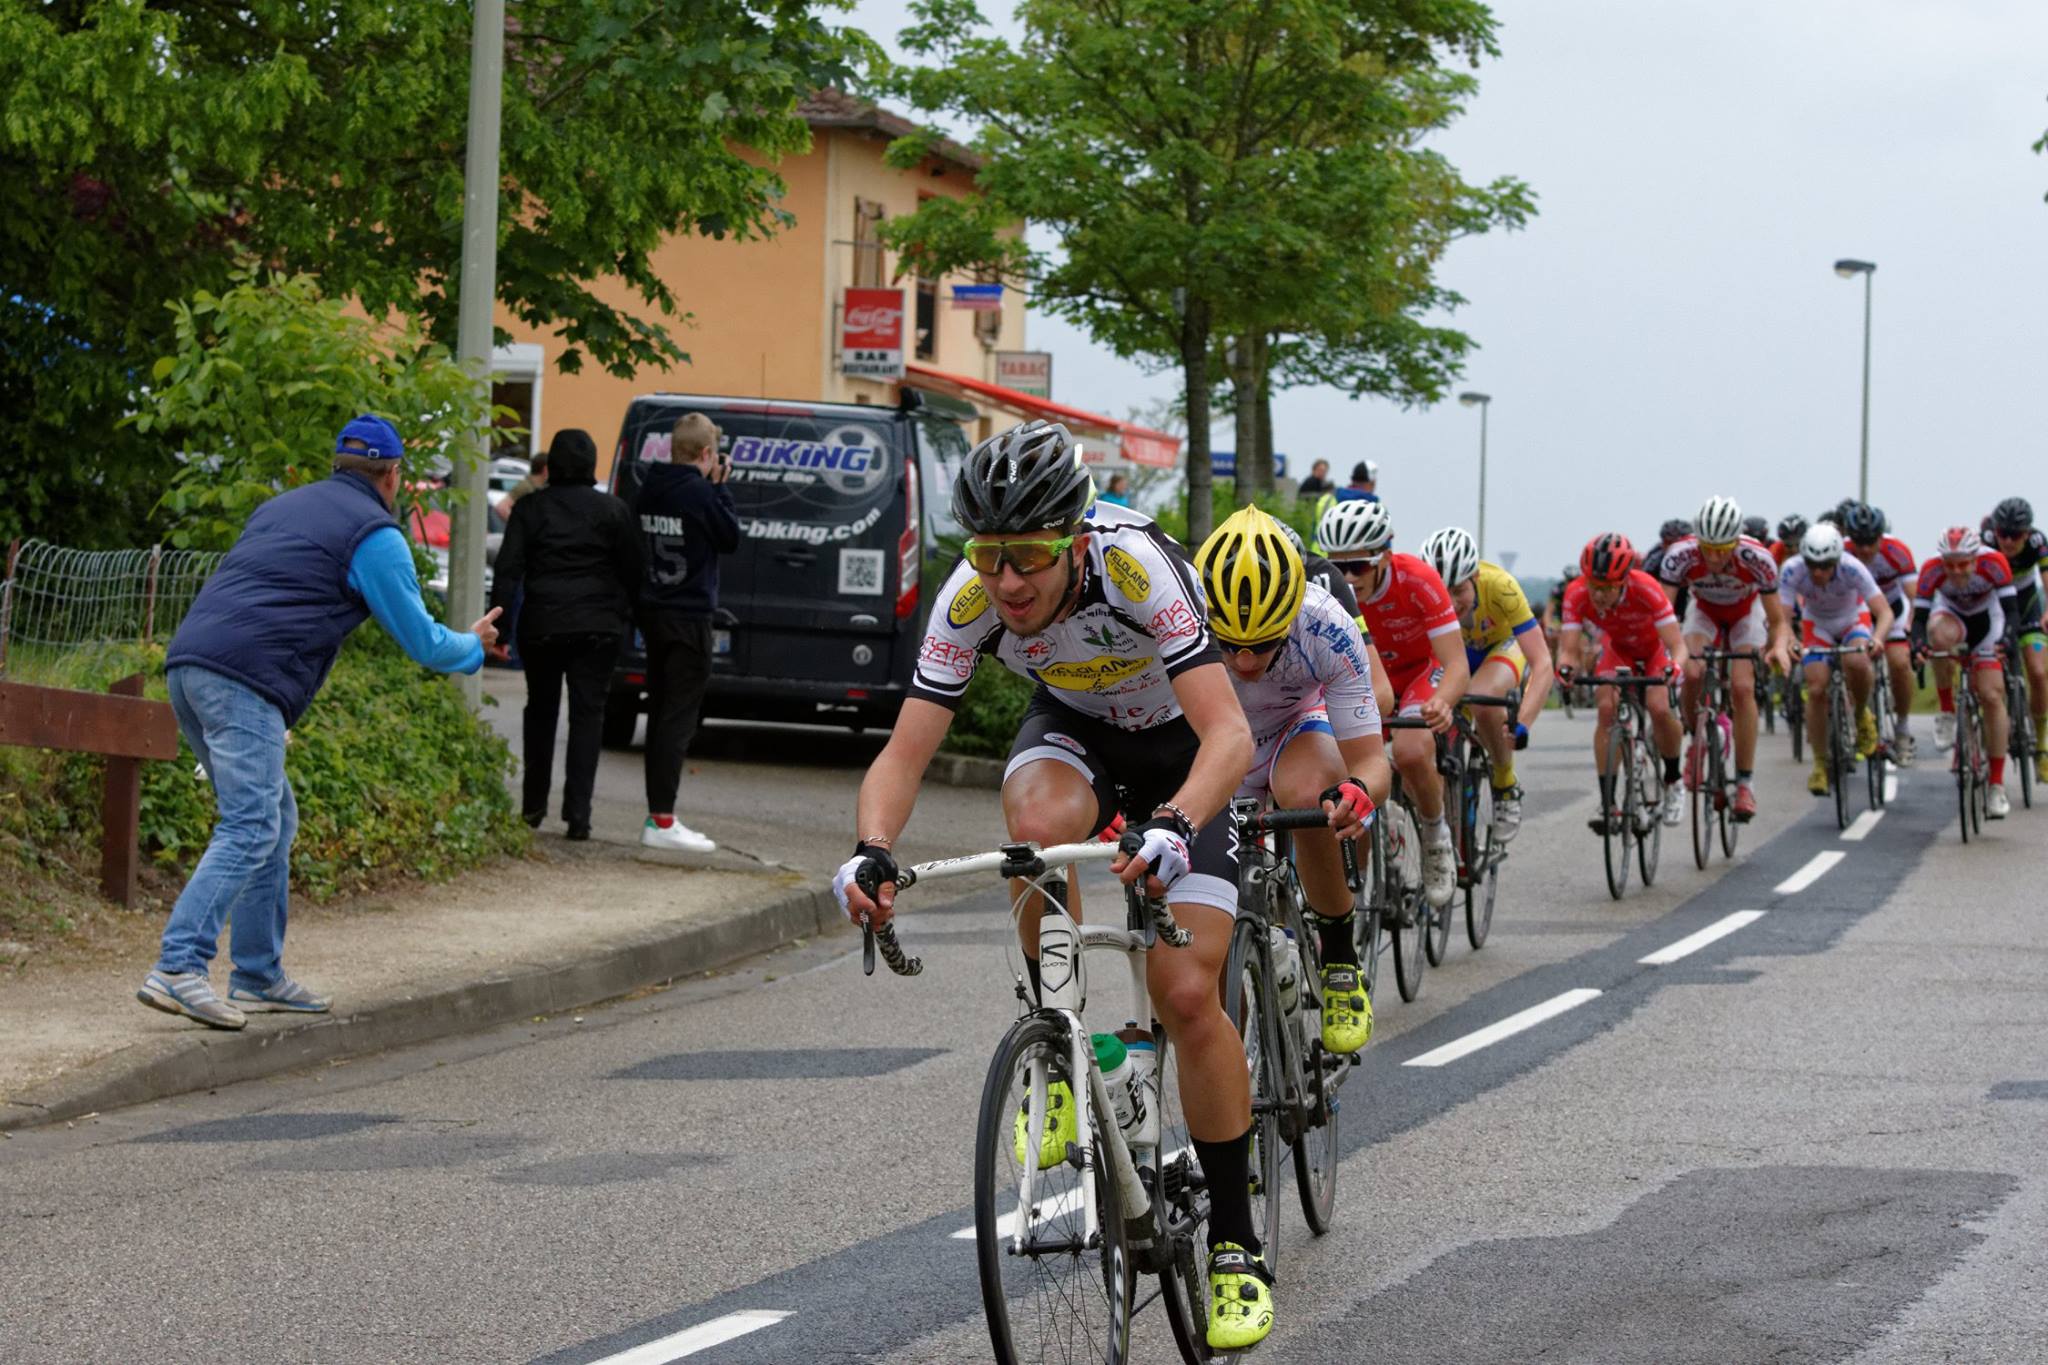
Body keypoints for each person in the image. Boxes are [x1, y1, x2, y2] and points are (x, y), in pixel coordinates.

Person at [831, 421, 1273, 1350]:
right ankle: (1062, 1039)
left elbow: (1229, 736)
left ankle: (1235, 1244)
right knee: (1034, 827)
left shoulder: (1138, 568)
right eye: (988, 556)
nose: (1007, 581)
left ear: (1076, 539)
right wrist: (872, 848)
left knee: (1186, 990)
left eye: (1028, 555)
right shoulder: (971, 599)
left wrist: (1177, 822)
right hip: (1078, 736)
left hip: (1185, 754)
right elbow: (904, 751)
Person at [139, 415, 501, 1030]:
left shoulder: (285, 506)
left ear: (339, 465)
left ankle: (256, 975)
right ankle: (179, 966)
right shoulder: (375, 536)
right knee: (252, 824)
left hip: (189, 668)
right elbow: (422, 641)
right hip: (244, 679)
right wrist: (472, 645)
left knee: (271, 819)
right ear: (392, 475)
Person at [1197, 506, 1388, 1056]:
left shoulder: (1326, 624)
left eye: (1263, 644)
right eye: (1228, 645)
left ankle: (1338, 957)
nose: (1246, 659)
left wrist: (1355, 792)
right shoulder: (1174, 614)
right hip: (1215, 737)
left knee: (1311, 794)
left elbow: (1373, 763)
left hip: (1292, 728)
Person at [491, 428, 643, 841]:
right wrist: (624, 617)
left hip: (542, 624)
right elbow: (635, 572)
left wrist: (500, 630)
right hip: (597, 628)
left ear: (551, 465)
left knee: (540, 712)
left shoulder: (530, 510)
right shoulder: (613, 511)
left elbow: (508, 571)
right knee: (587, 717)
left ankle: (533, 809)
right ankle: (579, 817)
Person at [1318, 498, 1468, 911]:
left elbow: (1456, 663)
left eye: (1360, 567)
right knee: (1348, 777)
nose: (1347, 578)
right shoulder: (1327, 589)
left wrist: (1443, 701)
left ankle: (1437, 839)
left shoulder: (1418, 579)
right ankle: (1357, 886)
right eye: (1337, 566)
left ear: (1385, 555)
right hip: (1364, 680)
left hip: (1421, 671)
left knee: (1411, 749)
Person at [632, 412, 741, 853]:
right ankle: (662, 820)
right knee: (679, 719)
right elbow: (730, 537)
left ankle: (658, 813)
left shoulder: (648, 487)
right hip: (689, 615)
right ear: (707, 454)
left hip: (653, 613)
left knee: (660, 715)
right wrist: (720, 487)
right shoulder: (700, 492)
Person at [1657, 496, 1793, 822]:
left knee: (1743, 688)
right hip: (1703, 612)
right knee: (1691, 672)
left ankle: (1745, 782)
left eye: (1723, 548)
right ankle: (1697, 738)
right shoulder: (1680, 556)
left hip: (1746, 614)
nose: (1716, 556)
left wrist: (1779, 646)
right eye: (1708, 548)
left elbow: (1777, 621)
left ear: (1736, 541)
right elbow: (1661, 614)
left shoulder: (1757, 558)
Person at [1418, 526, 1554, 841]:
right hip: (1455, 655)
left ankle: (1505, 784)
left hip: (1500, 647)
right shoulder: (1420, 594)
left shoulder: (1502, 586)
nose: (1451, 603)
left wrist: (1523, 723)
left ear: (1475, 579)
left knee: (1481, 696)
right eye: (1442, 591)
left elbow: (1543, 662)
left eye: (1459, 590)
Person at [1557, 534, 1688, 830]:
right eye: (1593, 585)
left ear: (1624, 581)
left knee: (1658, 707)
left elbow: (1678, 647)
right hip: (1619, 650)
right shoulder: (1576, 593)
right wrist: (1565, 669)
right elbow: (1569, 650)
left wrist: (1674, 668)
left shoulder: (1647, 588)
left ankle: (1673, 779)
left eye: (1606, 588)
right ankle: (1608, 803)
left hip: (1655, 650)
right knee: (1606, 708)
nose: (1598, 595)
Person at [1779, 523, 1894, 796]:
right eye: (1813, 565)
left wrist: (1877, 639)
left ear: (1837, 560)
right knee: (1817, 688)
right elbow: (1781, 619)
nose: (1818, 572)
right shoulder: (1793, 570)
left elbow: (1885, 612)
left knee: (1857, 661)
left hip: (1853, 620)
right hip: (1816, 624)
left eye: (1825, 565)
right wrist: (1790, 641)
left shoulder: (1852, 567)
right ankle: (1820, 763)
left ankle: (1861, 713)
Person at [1918, 525, 2017, 817]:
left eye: (1964, 564)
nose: (1957, 571)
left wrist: (2008, 641)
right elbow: (1920, 620)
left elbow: (2011, 610)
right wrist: (1917, 644)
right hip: (1951, 616)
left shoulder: (1995, 563)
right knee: (1937, 637)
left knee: (1991, 695)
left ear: (1976, 558)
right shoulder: (1931, 570)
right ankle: (1948, 711)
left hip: (1988, 620)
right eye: (1950, 565)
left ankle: (1997, 786)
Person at [1985, 496, 2048, 783]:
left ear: (2028, 533)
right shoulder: (1986, 540)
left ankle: (2042, 745)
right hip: (1997, 607)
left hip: (2026, 603)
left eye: (2016, 535)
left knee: (2037, 671)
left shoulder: (2037, 542)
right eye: (2003, 534)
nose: (2008, 541)